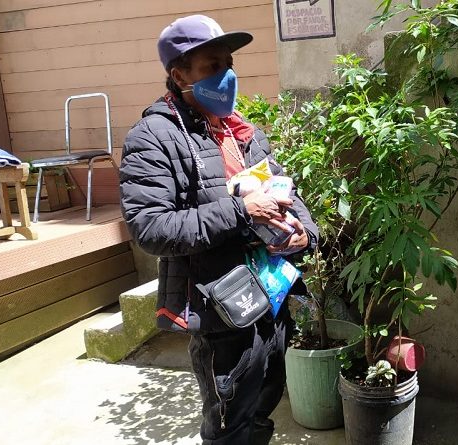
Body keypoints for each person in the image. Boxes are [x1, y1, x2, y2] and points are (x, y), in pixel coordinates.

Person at [119, 15, 318, 444]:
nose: (227, 76)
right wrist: (242, 212)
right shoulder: (154, 137)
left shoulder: (241, 130)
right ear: (179, 76)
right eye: (213, 66)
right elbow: (150, 227)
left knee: (264, 405)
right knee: (229, 422)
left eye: (229, 64)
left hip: (272, 297)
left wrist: (306, 232)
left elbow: (285, 189)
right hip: (221, 312)